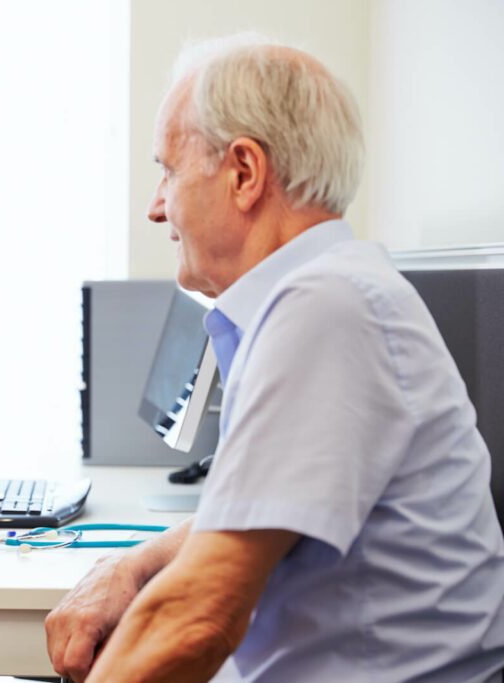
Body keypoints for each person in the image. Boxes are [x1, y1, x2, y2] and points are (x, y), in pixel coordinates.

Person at [45, 36, 504, 682]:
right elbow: (246, 509)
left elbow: (199, 615)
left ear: (243, 173)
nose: (156, 206)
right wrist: (132, 566)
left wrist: (147, 587)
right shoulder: (328, 291)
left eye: (168, 172)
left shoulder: (325, 308)